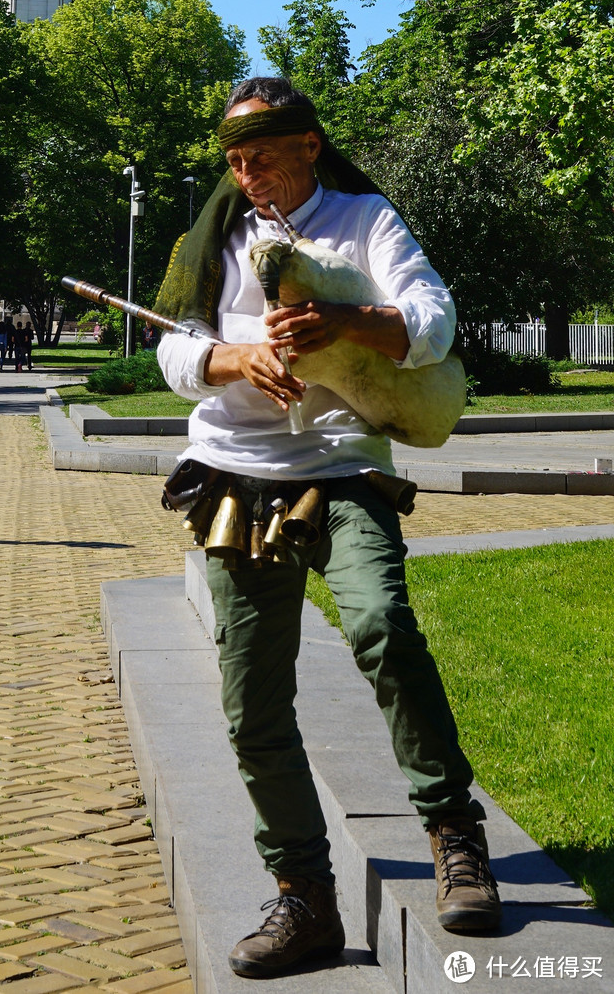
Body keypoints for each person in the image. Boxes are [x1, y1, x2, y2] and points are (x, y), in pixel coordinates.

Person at [156, 77, 501, 977]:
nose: (248, 174)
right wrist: (235, 356)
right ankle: (304, 896)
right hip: (239, 475)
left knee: (382, 624)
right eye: (235, 160)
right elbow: (171, 347)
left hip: (343, 468)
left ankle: (454, 832)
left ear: (309, 144)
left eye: (263, 155)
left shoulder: (365, 219)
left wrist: (353, 320)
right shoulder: (218, 238)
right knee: (251, 702)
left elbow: (433, 319)